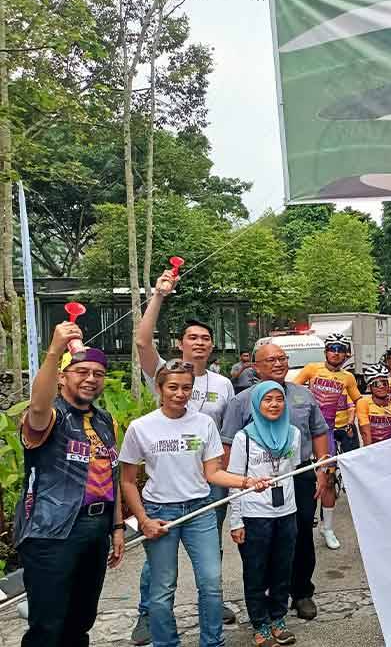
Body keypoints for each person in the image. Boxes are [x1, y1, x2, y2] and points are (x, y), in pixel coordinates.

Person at [119, 361, 270, 647]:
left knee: (211, 583)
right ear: (159, 389)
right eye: (173, 387)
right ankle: (166, 643)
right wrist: (144, 520)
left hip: (200, 511)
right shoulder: (141, 427)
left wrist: (247, 482)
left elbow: (213, 473)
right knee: (163, 588)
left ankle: (212, 642)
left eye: (186, 387)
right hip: (160, 513)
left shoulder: (204, 423)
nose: (180, 393)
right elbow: (126, 481)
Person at [132, 270, 238, 642]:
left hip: (211, 481)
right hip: (168, 485)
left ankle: (213, 604)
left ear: (211, 347)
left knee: (211, 557)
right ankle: (147, 613)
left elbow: (227, 431)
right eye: (192, 337)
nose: (199, 343)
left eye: (205, 339)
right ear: (180, 344)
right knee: (159, 564)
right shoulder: (166, 373)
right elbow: (143, 342)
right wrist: (159, 296)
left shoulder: (223, 384)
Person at [14, 327, 125, 647]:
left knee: (80, 622)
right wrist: (54, 350)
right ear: (62, 378)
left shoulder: (105, 420)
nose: (91, 378)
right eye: (81, 371)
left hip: (96, 530)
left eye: (98, 373)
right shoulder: (49, 417)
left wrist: (116, 526)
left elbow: (110, 474)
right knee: (48, 626)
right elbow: (37, 407)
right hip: (52, 533)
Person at [221, 342, 330, 621]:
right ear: (256, 366)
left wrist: (322, 469)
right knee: (259, 539)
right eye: (270, 360)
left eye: (282, 358)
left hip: (299, 474)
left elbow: (319, 432)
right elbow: (229, 445)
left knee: (302, 533)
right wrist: (235, 484)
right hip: (256, 481)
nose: (279, 363)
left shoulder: (303, 395)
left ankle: (301, 592)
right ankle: (264, 595)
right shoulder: (241, 401)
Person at [228, 381, 303, 647]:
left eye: (278, 399)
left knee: (283, 569)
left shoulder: (293, 433)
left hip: (286, 512)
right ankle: (259, 623)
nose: (273, 404)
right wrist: (235, 521)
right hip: (254, 514)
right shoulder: (243, 438)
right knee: (256, 571)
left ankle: (278, 618)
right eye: (267, 400)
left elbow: (291, 469)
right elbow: (234, 481)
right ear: (257, 404)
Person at [291, 332, 360, 551]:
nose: (336, 353)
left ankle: (327, 527)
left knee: (329, 479)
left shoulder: (347, 378)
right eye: (332, 349)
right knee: (297, 475)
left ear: (346, 355)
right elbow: (291, 391)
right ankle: (297, 521)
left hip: (328, 430)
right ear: (326, 352)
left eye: (341, 350)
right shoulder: (312, 369)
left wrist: (353, 420)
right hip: (303, 428)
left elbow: (358, 401)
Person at [356, 364, 391, 445]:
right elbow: (365, 433)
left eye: (384, 383)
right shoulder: (363, 403)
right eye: (377, 384)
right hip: (371, 448)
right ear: (370, 387)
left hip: (390, 448)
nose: (382, 387)